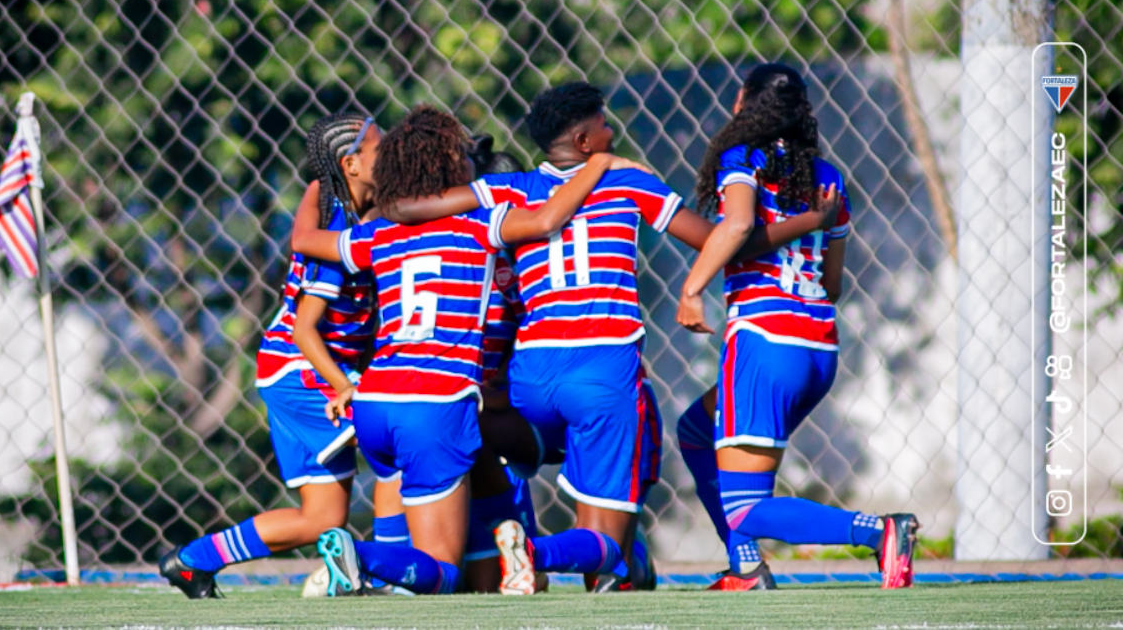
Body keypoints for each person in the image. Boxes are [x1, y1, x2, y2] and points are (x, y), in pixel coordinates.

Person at [381, 82, 837, 592]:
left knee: (476, 433)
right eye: (603, 124)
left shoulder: (509, 190)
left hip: (530, 378)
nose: (612, 132)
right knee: (607, 537)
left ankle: (447, 553)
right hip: (601, 372)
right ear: (583, 142)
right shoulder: (629, 183)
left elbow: (403, 207)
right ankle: (534, 550)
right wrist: (808, 222)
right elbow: (721, 241)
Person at [286, 106, 645, 596]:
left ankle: (392, 568)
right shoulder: (482, 224)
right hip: (434, 401)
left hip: (373, 399)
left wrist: (316, 189)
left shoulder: (377, 232)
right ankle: (357, 555)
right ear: (452, 166)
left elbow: (304, 240)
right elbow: (546, 218)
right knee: (443, 571)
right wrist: (599, 165)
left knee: (460, 546)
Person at [676, 63, 918, 591]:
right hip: (818, 347)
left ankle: (879, 532)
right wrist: (809, 223)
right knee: (695, 430)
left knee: (743, 509)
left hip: (765, 342)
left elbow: (737, 225)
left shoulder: (742, 159)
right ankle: (745, 570)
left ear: (743, 103)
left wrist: (693, 288)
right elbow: (832, 284)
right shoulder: (827, 176)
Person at [159, 114, 409, 598]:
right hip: (306, 368)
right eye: (381, 147)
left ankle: (192, 561)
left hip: (286, 369)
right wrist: (344, 385)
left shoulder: (349, 208)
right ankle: (394, 574)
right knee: (400, 443)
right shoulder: (339, 229)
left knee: (321, 519)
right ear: (351, 164)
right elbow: (304, 326)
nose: (392, 153)